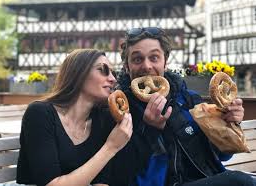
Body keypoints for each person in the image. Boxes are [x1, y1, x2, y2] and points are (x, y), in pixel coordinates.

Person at [114, 27, 256, 186]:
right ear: (127, 67)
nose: (147, 66)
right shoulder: (120, 110)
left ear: (165, 62)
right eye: (137, 59)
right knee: (240, 181)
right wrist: (150, 131)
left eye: (154, 57)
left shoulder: (188, 99)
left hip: (207, 178)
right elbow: (121, 173)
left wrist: (228, 123)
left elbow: (222, 156)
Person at [16, 49, 134, 186]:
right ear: (79, 73)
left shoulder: (103, 119)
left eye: (113, 73)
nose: (113, 79)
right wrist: (111, 147)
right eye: (103, 70)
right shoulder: (40, 114)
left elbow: (102, 182)